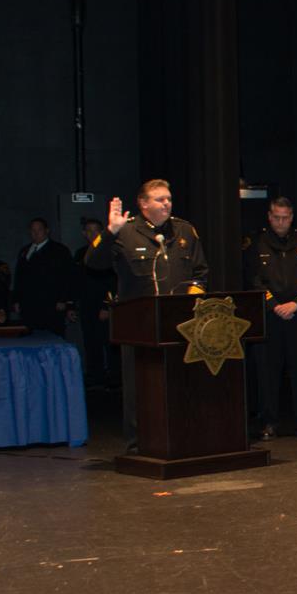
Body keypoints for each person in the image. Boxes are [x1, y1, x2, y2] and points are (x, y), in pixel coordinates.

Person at [84, 179, 208, 452]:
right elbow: (92, 262)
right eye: (160, 199)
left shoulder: (185, 230)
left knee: (181, 382)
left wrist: (191, 299)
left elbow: (200, 272)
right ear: (143, 203)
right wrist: (110, 232)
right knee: (139, 386)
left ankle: (183, 436)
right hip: (139, 323)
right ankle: (139, 442)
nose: (167, 203)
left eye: (169, 199)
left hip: (180, 323)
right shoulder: (125, 232)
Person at [243, 196, 297, 440]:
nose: (281, 222)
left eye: (285, 217)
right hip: (270, 315)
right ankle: (269, 422)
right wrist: (274, 305)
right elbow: (252, 278)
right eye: (276, 217)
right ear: (269, 216)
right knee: (268, 371)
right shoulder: (255, 242)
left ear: (292, 217)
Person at [75, 218, 119, 386]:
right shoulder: (80, 253)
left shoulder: (110, 251)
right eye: (89, 231)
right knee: (90, 341)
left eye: (96, 230)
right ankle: (95, 375)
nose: (92, 234)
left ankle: (114, 377)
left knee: (108, 341)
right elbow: (77, 280)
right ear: (84, 234)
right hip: (87, 305)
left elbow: (113, 282)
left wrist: (106, 306)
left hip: (104, 305)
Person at [13, 218, 74, 335]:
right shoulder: (25, 251)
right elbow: (19, 277)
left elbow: (68, 277)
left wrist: (63, 299)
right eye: (33, 230)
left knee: (53, 336)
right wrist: (16, 299)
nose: (36, 233)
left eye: (39, 230)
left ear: (47, 231)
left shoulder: (59, 250)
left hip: (51, 304)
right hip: (29, 304)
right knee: (30, 337)